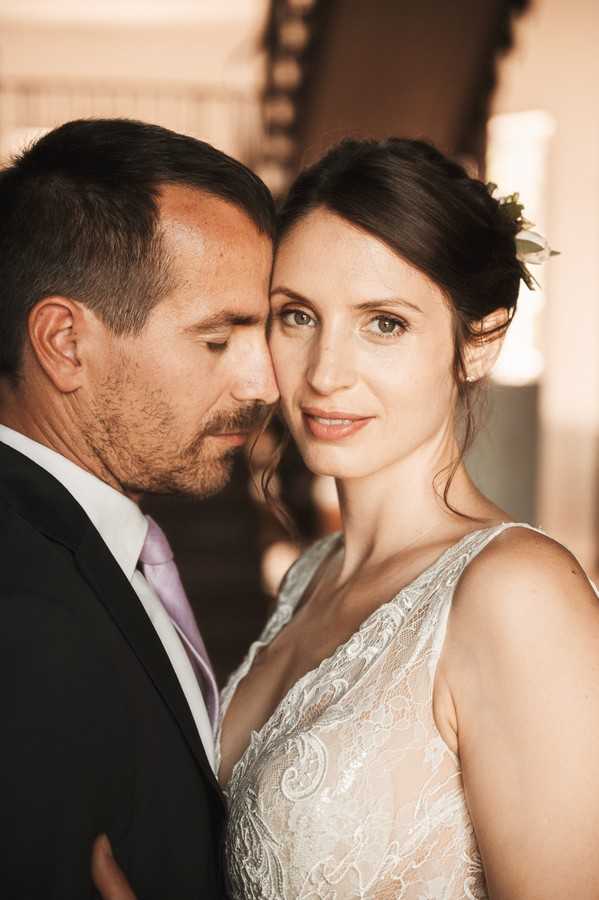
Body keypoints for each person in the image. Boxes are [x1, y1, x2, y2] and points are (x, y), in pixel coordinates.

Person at [95, 138, 599, 900]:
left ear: (479, 342)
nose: (326, 372)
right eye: (296, 315)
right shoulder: (313, 571)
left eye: (384, 324)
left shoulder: (515, 593)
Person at [1, 117, 278, 899]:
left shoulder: (102, 538)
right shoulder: (21, 609)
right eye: (219, 339)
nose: (264, 383)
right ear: (64, 342)